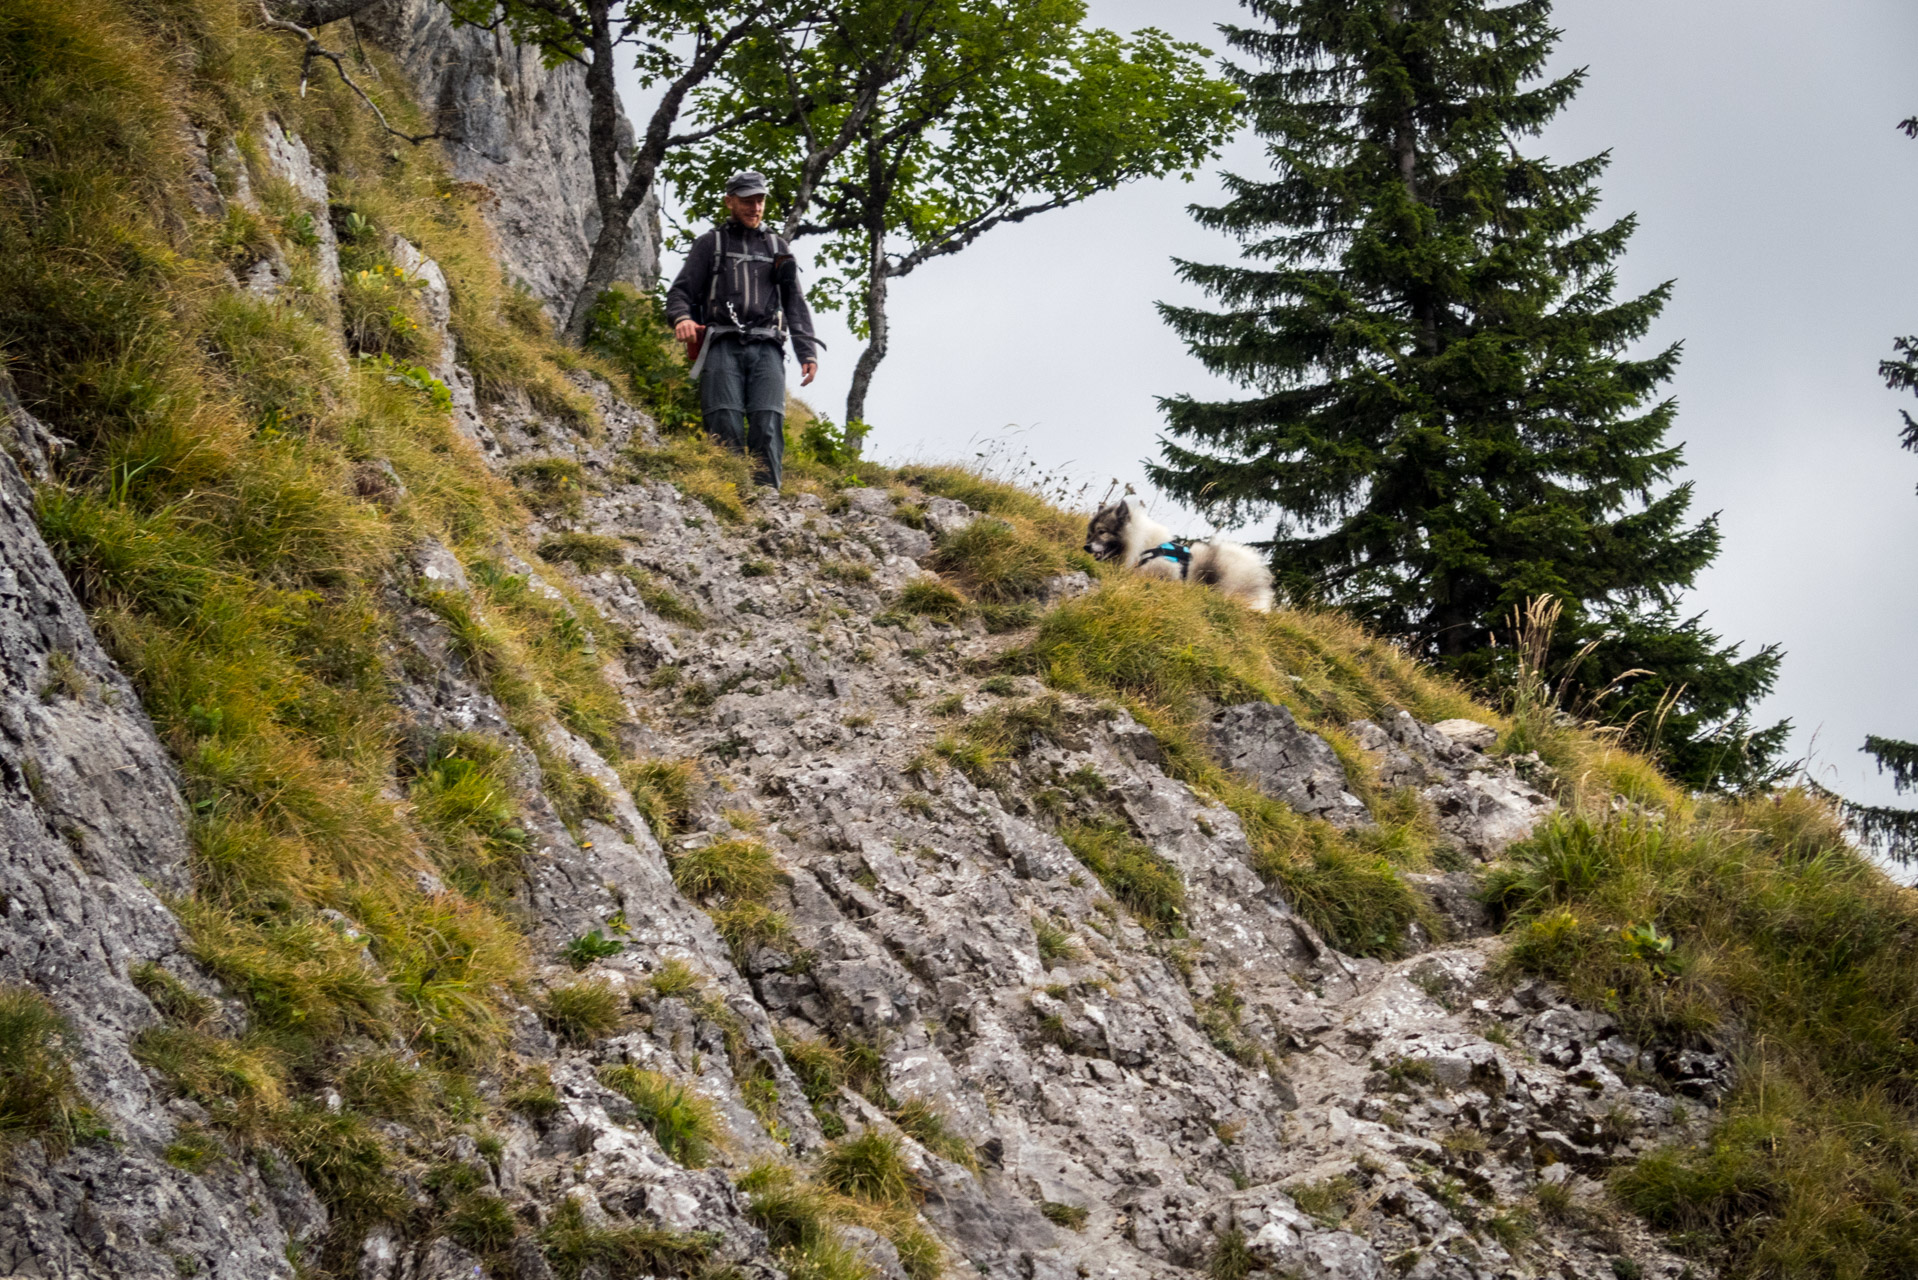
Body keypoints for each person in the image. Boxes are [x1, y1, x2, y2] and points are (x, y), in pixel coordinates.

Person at [665, 170, 820, 491]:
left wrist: (807, 351)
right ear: (729, 201)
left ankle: (767, 499)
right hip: (721, 343)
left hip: (767, 347)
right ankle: (730, 495)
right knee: (724, 419)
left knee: (767, 422)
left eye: (760, 200)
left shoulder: (778, 247)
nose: (755, 207)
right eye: (748, 200)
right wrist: (682, 318)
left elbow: (795, 302)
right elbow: (680, 291)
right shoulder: (711, 244)